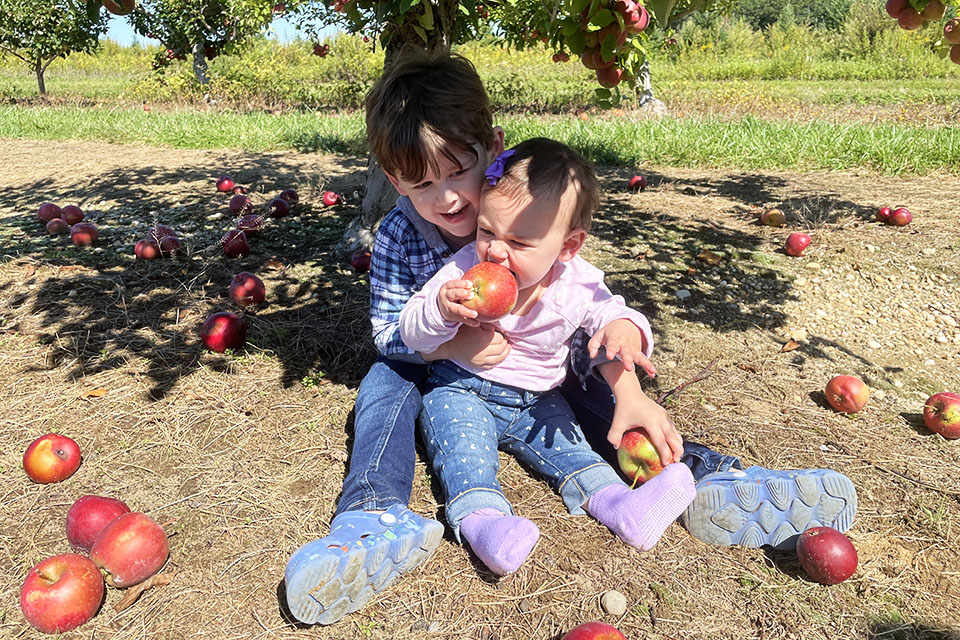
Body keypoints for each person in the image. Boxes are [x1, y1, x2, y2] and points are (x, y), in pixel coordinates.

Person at [284, 49, 856, 625]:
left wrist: (628, 382)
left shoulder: (530, 201)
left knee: (586, 364)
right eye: (423, 183)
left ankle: (701, 479)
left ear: (494, 150)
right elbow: (388, 332)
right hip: (439, 364)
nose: (448, 198)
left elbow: (590, 307)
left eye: (460, 171)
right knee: (387, 381)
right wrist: (451, 343)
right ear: (394, 180)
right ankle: (373, 518)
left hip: (535, 370)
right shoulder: (399, 236)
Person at [398, 138, 698, 575]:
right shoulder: (463, 272)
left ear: (567, 247)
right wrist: (441, 310)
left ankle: (620, 506)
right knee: (464, 455)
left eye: (519, 241)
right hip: (462, 388)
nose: (496, 251)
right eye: (487, 231)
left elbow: (614, 314)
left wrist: (623, 331)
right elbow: (411, 329)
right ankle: (484, 521)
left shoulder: (577, 283)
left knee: (577, 454)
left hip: (538, 401)